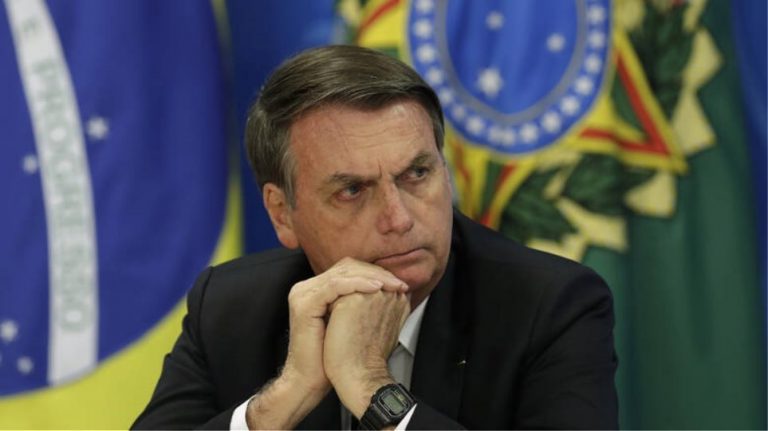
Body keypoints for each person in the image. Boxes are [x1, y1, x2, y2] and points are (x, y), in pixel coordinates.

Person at [132, 45, 618, 430]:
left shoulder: (548, 306)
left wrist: (371, 387)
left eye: (417, 174)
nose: (398, 218)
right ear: (282, 214)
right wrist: (287, 395)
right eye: (352, 190)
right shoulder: (231, 308)